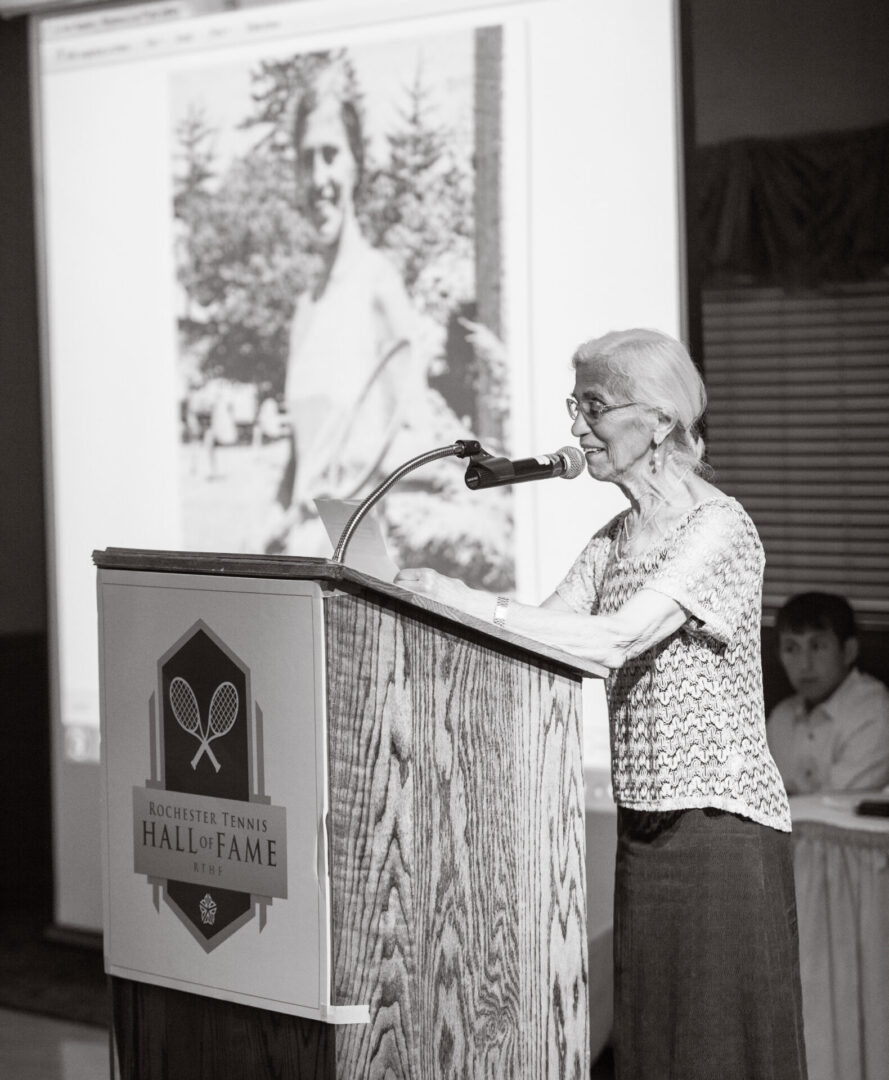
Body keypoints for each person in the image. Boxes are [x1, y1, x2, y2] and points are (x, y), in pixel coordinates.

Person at [396, 328, 807, 1080]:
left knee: (717, 1051)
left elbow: (613, 638)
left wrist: (473, 600)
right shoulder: (612, 537)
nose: (576, 427)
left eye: (594, 405)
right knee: (652, 1048)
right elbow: (544, 636)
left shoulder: (718, 527)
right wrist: (430, 604)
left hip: (719, 829)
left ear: (658, 420)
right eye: (573, 404)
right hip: (644, 827)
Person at [262, 72, 419, 555]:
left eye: (330, 154)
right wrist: (272, 523)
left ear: (357, 165)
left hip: (357, 562)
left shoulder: (380, 285)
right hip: (299, 562)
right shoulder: (304, 308)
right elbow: (302, 458)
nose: (318, 178)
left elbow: (415, 446)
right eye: (305, 160)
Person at [766, 591, 889, 795]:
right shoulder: (780, 717)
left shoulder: (875, 712)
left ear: (848, 651)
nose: (804, 665)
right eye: (791, 648)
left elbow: (837, 807)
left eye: (817, 646)